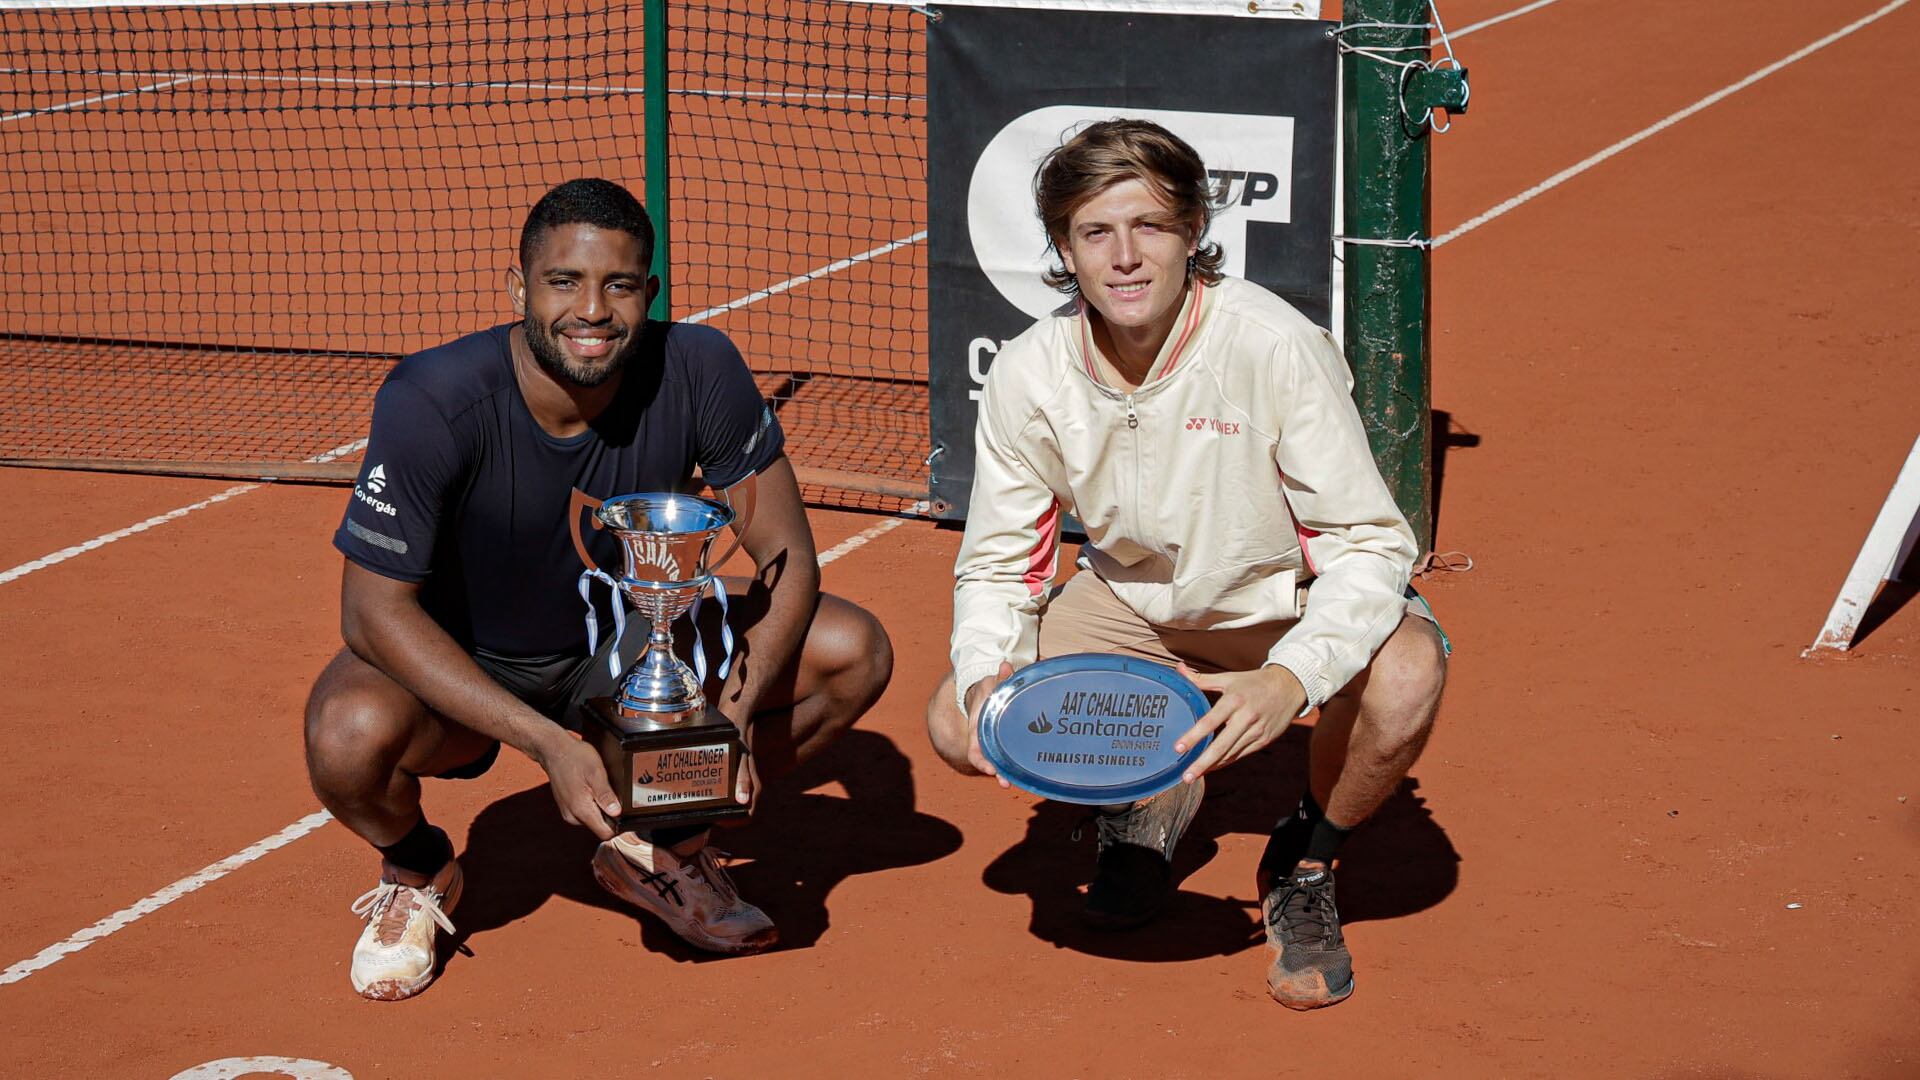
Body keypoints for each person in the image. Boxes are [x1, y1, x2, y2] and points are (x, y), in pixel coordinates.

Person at [308, 177, 893, 1001]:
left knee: (851, 652)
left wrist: (729, 710)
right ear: (518, 289)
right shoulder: (431, 399)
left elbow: (787, 557)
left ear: (648, 293)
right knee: (346, 738)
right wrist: (546, 742)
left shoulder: (699, 366)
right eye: (563, 282)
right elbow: (372, 612)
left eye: (618, 285)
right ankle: (419, 869)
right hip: (468, 663)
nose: (592, 311)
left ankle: (667, 849)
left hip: (628, 651)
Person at [924, 120, 1448, 1010]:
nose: (1125, 257)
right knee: (956, 722)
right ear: (1064, 248)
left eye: (1151, 227)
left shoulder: (1271, 344)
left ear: (1194, 230)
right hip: (1129, 605)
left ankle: (1307, 859)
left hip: (1273, 606)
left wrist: (1292, 678)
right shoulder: (1029, 372)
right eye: (1096, 232)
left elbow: (1370, 543)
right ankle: (1147, 800)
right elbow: (1001, 567)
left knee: (1405, 677)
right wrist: (985, 682)